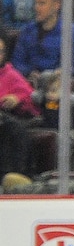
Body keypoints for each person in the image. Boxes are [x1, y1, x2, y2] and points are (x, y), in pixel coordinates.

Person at [11, 0, 74, 82]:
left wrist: (55, 75)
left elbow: (72, 65)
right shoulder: (27, 30)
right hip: (29, 84)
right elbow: (17, 61)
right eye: (36, 3)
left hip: (58, 86)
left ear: (56, 5)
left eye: (42, 3)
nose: (36, 8)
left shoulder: (71, 32)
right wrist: (28, 72)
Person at [0, 33, 35, 184]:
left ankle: (13, 176)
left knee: (13, 127)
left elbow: (31, 98)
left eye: (0, 51)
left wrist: (17, 99)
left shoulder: (11, 75)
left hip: (6, 119)